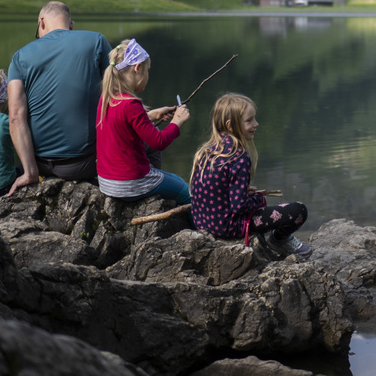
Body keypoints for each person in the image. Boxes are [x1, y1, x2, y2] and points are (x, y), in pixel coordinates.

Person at [5, 1, 112, 196]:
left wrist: (30, 171)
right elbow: (117, 95)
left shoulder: (19, 57)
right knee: (149, 139)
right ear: (71, 25)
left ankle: (27, 171)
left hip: (40, 164)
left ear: (41, 22)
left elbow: (15, 117)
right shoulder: (96, 41)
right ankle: (140, 190)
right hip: (85, 163)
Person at [189, 93, 313, 258]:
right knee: (298, 210)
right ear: (231, 125)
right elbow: (239, 206)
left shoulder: (206, 151)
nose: (256, 124)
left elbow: (216, 191)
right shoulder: (239, 157)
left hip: (203, 223)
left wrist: (242, 191)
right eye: (249, 121)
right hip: (228, 226)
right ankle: (279, 239)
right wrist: (258, 198)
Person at [95, 38, 192, 203]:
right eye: (147, 71)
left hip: (106, 181)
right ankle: (199, 228)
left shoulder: (107, 98)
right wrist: (177, 121)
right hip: (130, 183)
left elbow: (120, 122)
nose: (147, 75)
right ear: (137, 68)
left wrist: (152, 115)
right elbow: (158, 142)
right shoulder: (132, 104)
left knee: (175, 178)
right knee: (186, 191)